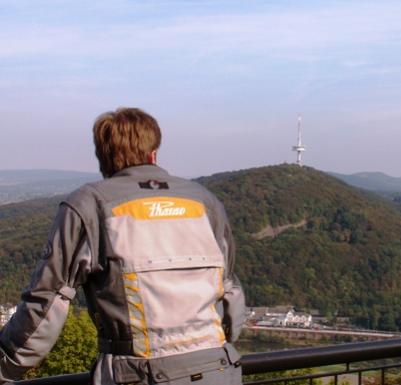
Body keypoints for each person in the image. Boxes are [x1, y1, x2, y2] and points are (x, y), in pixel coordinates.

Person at [0, 108, 245, 385]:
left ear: (104, 158)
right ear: (154, 153)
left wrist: (7, 365)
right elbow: (230, 290)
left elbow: (47, 300)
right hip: (219, 368)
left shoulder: (90, 204)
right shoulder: (205, 201)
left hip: (138, 372)